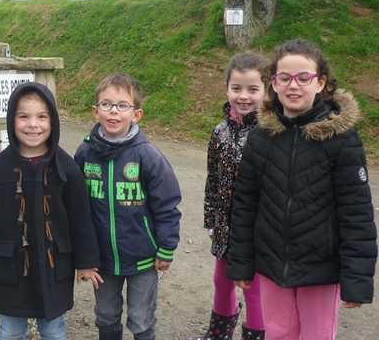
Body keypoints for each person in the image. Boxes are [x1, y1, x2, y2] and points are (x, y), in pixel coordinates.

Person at [226, 39, 377, 340]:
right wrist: (241, 263)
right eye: (285, 78)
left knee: (317, 335)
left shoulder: (343, 140)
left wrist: (357, 278)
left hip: (320, 269)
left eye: (304, 78)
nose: (293, 86)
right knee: (278, 333)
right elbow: (245, 205)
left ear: (320, 83)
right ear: (273, 83)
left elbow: (356, 214)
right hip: (271, 264)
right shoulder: (260, 137)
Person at [0, 82, 103, 340]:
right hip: (11, 268)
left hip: (54, 266)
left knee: (53, 328)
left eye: (42, 117)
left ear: (53, 122)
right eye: (23, 116)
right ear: (12, 120)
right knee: (11, 328)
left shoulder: (66, 169)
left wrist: (87, 263)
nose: (33, 124)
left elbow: (81, 220)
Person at [74, 73, 182, 340]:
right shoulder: (84, 154)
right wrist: (81, 253)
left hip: (143, 258)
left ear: (136, 114)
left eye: (123, 105)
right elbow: (75, 206)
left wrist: (166, 248)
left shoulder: (148, 155)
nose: (114, 111)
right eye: (106, 104)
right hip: (102, 259)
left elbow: (167, 204)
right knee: (106, 317)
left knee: (141, 320)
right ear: (95, 111)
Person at [191, 53, 269, 340]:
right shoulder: (220, 132)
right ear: (227, 88)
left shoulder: (271, 132)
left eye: (253, 89)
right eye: (237, 88)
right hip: (225, 228)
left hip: (259, 232)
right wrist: (211, 220)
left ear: (267, 90)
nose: (244, 96)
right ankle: (218, 334)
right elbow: (212, 180)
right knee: (221, 281)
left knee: (254, 289)